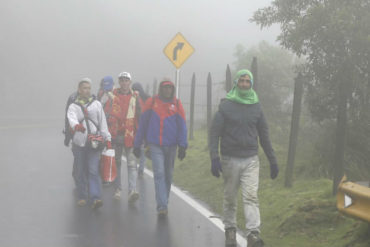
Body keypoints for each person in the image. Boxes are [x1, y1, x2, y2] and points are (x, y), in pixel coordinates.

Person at [208, 69, 279, 247]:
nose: (245, 84)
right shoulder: (226, 106)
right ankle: (230, 231)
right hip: (230, 159)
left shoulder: (256, 106)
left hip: (251, 159)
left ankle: (253, 235)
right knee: (230, 197)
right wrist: (214, 156)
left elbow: (264, 134)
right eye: (242, 81)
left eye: (248, 81)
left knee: (251, 197)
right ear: (236, 83)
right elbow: (214, 133)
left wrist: (272, 159)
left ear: (251, 84)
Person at [133, 78, 187, 217]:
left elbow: (182, 126)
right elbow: (143, 124)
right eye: (165, 87)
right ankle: (162, 206)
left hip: (171, 146)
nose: (167, 90)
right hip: (155, 144)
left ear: (173, 89)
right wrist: (137, 144)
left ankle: (164, 200)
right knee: (159, 174)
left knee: (168, 175)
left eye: (170, 87)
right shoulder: (152, 102)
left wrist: (183, 146)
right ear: (160, 89)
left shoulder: (177, 103)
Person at [67, 78, 112, 209]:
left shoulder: (96, 104)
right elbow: (71, 118)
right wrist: (76, 126)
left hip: (94, 143)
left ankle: (95, 198)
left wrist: (107, 139)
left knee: (93, 170)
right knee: (80, 170)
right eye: (84, 88)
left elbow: (102, 122)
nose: (87, 90)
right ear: (79, 90)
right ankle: (82, 195)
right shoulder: (73, 106)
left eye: (88, 88)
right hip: (79, 143)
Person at [109, 72, 141, 202]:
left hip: (130, 135)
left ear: (130, 82)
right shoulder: (111, 96)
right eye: (121, 80)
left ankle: (132, 190)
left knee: (132, 164)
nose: (124, 83)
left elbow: (139, 115)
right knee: (116, 163)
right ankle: (118, 189)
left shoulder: (136, 97)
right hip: (116, 134)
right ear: (119, 82)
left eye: (126, 80)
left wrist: (140, 135)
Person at [131, 82, 150, 178]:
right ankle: (140, 170)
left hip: (139, 127)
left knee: (137, 149)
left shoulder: (134, 98)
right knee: (141, 150)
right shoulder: (147, 98)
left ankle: (138, 169)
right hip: (142, 127)